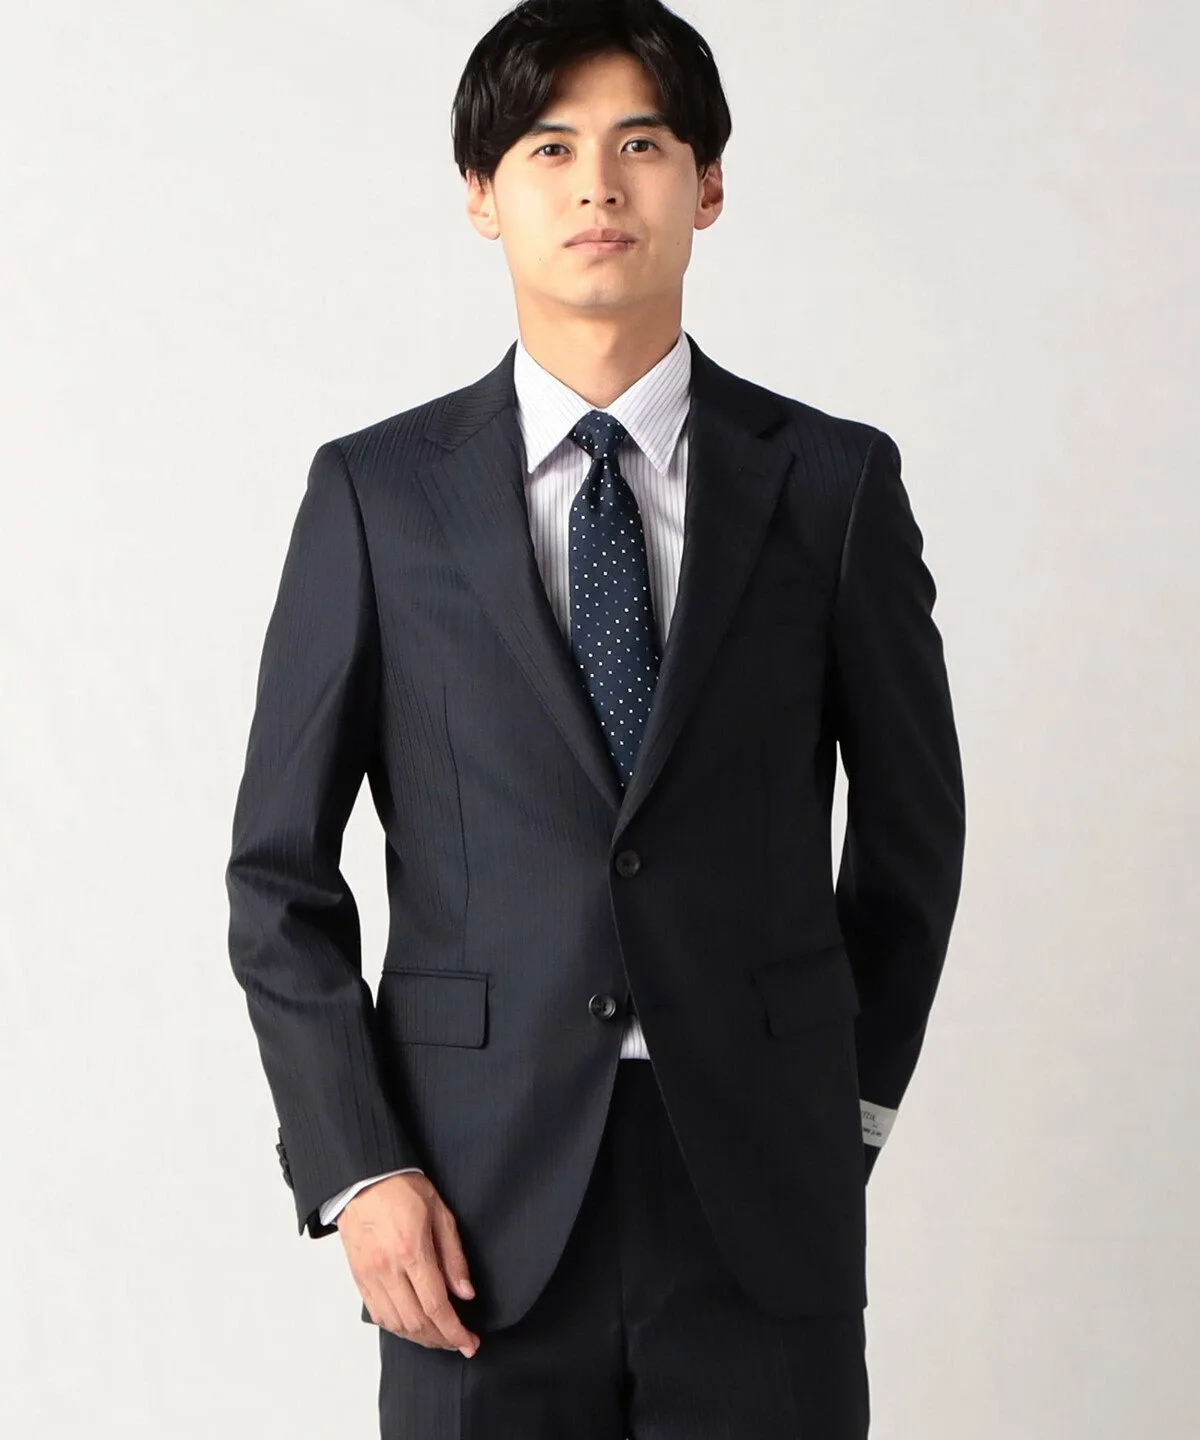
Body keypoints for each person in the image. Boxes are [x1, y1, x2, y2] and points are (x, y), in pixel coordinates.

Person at [225, 1, 966, 1434]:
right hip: (467, 1202)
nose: (597, 186)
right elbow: (279, 875)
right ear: (481, 195)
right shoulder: (377, 497)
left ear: (709, 184)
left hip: (763, 1182)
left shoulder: (834, 485)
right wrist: (358, 1168)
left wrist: (847, 1110)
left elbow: (911, 842)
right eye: (549, 149)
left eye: (641, 144)